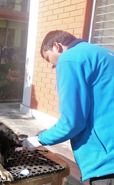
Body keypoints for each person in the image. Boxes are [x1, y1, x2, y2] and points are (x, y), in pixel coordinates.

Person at [22, 30, 114, 185]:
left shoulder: (69, 59)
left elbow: (72, 123)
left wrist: (39, 140)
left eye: (48, 58)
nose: (52, 66)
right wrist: (50, 133)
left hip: (106, 164)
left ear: (57, 46)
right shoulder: (104, 53)